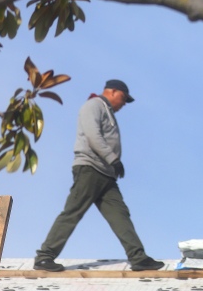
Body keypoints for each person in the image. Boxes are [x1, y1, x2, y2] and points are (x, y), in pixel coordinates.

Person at [33, 80, 164, 273]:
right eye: (123, 98)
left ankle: (138, 258)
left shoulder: (107, 111)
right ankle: (44, 257)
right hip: (90, 169)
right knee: (73, 211)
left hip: (105, 174)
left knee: (120, 214)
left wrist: (112, 164)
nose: (124, 103)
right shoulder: (93, 105)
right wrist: (113, 159)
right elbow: (93, 135)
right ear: (112, 91)